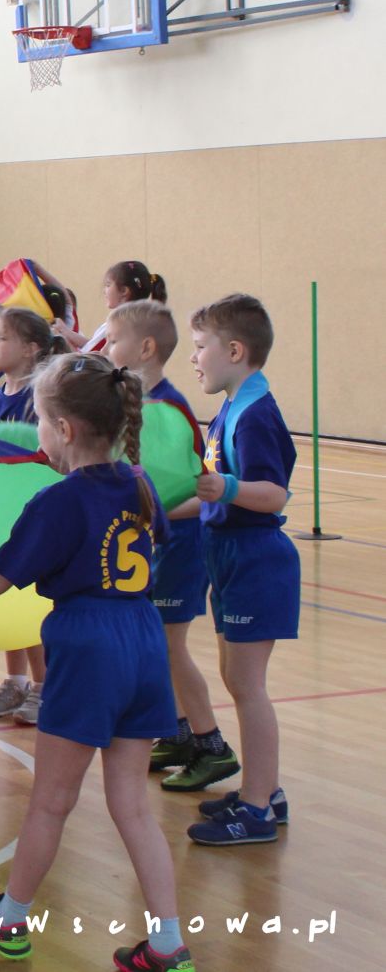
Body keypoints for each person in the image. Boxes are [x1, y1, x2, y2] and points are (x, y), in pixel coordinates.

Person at [0, 352, 194, 972]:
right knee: (133, 805)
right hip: (143, 639)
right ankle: (168, 943)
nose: (36, 430)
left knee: (51, 801)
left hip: (88, 645)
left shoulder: (59, 501)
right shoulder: (141, 483)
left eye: (40, 420)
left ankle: (10, 918)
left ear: (64, 429)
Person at [105, 300, 236, 794]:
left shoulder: (169, 409)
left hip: (181, 543)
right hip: (156, 543)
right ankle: (179, 733)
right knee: (158, 646)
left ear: (145, 347)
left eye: (113, 340)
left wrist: (147, 512)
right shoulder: (134, 402)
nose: (106, 348)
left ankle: (211, 744)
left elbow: (194, 493)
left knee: (169, 646)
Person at [185, 294, 297, 847]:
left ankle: (256, 809)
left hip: (256, 559)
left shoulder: (255, 415)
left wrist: (226, 487)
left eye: (200, 347)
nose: (194, 358)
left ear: (234, 351)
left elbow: (273, 493)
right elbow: (214, 492)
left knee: (248, 687)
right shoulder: (232, 408)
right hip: (229, 555)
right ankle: (264, 790)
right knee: (236, 680)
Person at [0, 307, 67, 725]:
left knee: (32, 606)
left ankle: (44, 686)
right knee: (6, 600)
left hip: (37, 516)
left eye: (3, 338)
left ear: (31, 349)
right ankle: (15, 681)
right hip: (0, 515)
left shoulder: (42, 400)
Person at [55, 260, 167, 353]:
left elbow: (87, 361)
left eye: (108, 285)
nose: (104, 291)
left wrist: (62, 338)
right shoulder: (128, 322)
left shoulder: (119, 326)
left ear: (124, 291)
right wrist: (66, 332)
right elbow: (92, 345)